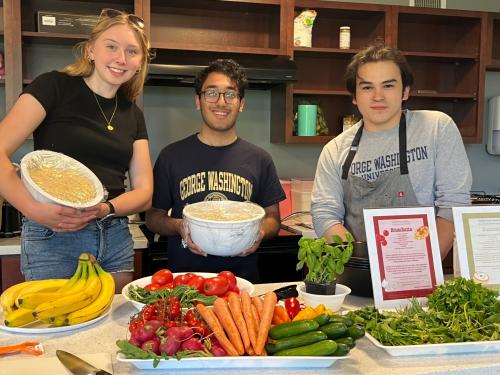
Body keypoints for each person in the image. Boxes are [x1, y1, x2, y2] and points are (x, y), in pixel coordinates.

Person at [0, 9, 154, 291]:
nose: (121, 59)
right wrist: (34, 210)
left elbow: (144, 192)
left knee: (112, 331)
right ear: (91, 50)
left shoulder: (132, 114)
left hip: (114, 234)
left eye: (132, 51)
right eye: (111, 47)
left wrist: (105, 209)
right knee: (55, 329)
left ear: (140, 62)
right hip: (54, 234)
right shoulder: (53, 87)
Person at [311, 44, 472, 259]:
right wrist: (361, 264)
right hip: (358, 270)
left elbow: (453, 204)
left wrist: (426, 263)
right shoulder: (335, 150)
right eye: (367, 87)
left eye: (388, 86)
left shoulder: (436, 128)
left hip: (420, 269)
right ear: (354, 96)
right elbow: (325, 214)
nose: (378, 97)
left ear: (405, 91)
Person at [145, 59, 285, 282]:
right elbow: (153, 217)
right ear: (198, 101)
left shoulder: (260, 159)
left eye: (230, 94)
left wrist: (260, 233)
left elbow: (273, 219)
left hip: (241, 283)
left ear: (241, 103)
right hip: (185, 283)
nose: (221, 102)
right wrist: (180, 226)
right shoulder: (171, 156)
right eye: (211, 93)